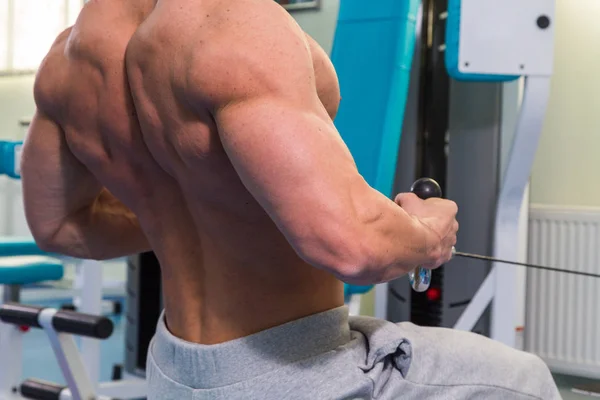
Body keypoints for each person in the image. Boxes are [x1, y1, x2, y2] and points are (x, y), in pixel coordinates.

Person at [20, 0, 561, 398]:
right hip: (294, 371)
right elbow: (350, 248)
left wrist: (192, 211)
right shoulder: (235, 23)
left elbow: (60, 225)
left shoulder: (68, 61)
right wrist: (426, 236)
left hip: (173, 366)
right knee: (526, 381)